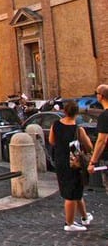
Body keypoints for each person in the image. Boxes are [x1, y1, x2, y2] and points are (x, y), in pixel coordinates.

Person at [49, 100, 93, 232]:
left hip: (60, 161)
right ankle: (69, 223)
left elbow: (51, 141)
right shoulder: (78, 129)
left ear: (64, 111)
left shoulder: (55, 125)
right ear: (76, 113)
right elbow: (89, 146)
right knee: (71, 194)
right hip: (74, 163)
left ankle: (85, 217)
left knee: (76, 192)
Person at [88, 84, 108, 190]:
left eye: (96, 94)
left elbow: (102, 141)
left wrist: (93, 162)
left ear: (101, 96)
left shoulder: (105, 116)